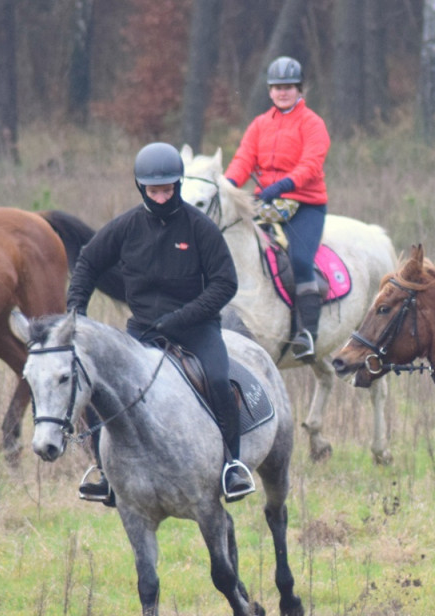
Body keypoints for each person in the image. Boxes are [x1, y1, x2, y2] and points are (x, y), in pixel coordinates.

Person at [67, 142, 256, 504]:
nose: (160, 196)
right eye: (153, 190)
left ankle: (232, 466)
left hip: (197, 329)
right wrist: (77, 314)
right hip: (142, 333)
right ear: (141, 188)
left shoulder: (200, 227)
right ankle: (103, 472)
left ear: (178, 185)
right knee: (97, 385)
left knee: (218, 380)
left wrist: (181, 318)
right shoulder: (126, 226)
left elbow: (225, 283)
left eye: (167, 189)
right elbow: (88, 262)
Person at [224, 55, 330, 361]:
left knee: (298, 260)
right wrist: (227, 186)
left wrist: (281, 186)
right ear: (270, 91)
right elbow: (243, 159)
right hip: (267, 203)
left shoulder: (313, 124)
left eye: (288, 87)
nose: (282, 92)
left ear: (299, 90)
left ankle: (307, 333)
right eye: (277, 87)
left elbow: (311, 164)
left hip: (305, 205)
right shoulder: (259, 125)